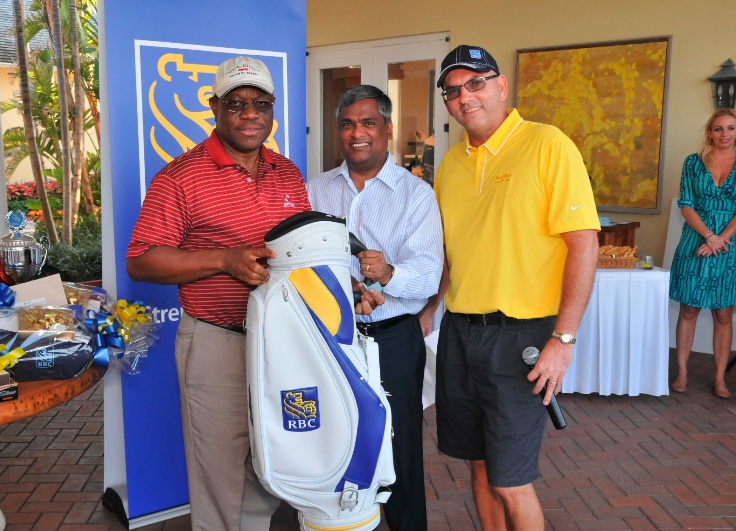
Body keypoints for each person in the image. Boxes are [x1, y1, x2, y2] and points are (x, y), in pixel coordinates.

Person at [126, 56, 313, 531]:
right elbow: (141, 260)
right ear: (214, 108)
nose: (250, 114)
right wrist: (224, 259)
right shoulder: (180, 177)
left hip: (282, 341)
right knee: (218, 470)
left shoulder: (288, 173)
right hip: (217, 340)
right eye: (236, 103)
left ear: (272, 109)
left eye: (261, 104)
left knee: (271, 457)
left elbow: (302, 251)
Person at [420, 45, 600, 530]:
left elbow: (584, 244)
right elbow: (452, 253)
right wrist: (430, 310)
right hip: (460, 333)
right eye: (452, 91)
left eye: (475, 83)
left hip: (522, 337)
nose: (465, 97)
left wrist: (563, 340)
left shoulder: (547, 144)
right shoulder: (450, 164)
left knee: (511, 480)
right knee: (479, 465)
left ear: (501, 86)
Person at [307, 84, 443, 531]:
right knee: (333, 438)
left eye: (368, 123)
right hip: (330, 338)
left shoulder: (416, 194)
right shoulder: (316, 190)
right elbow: (301, 263)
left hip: (394, 339)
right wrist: (344, 287)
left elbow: (428, 274)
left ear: (387, 128)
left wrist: (387, 274)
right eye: (347, 124)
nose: (357, 133)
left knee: (400, 446)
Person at [669, 108, 736, 399]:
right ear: (709, 132)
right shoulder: (693, 163)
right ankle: (682, 372)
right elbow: (685, 204)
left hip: (730, 247)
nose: (725, 134)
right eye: (718, 128)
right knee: (688, 309)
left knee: (723, 313)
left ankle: (719, 379)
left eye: (731, 128)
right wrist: (709, 236)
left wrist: (720, 239)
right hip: (694, 243)